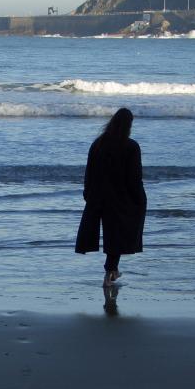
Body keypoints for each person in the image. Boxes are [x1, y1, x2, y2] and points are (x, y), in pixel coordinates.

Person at [75, 107, 147, 287]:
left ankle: (112, 272)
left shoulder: (98, 144)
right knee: (117, 234)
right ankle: (110, 274)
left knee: (110, 234)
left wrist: (88, 193)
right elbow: (134, 178)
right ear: (128, 125)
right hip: (120, 197)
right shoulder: (131, 146)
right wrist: (140, 198)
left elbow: (89, 172)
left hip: (98, 196)